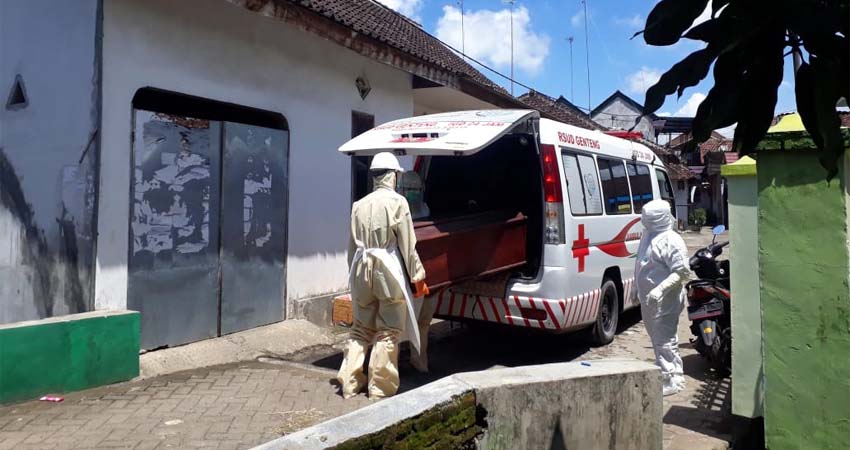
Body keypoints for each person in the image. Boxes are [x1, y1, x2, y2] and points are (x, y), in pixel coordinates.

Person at [337, 152, 429, 399]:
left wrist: (353, 280)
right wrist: (418, 278)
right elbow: (408, 246)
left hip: (360, 268)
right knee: (389, 330)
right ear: (393, 176)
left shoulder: (359, 205)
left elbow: (351, 248)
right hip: (386, 268)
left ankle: (350, 383)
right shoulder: (398, 202)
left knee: (360, 329)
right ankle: (379, 389)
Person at [635, 199, 691, 396]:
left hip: (665, 300)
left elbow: (682, 272)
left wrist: (659, 290)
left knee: (664, 340)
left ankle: (670, 378)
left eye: (647, 218)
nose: (643, 221)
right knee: (658, 338)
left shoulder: (672, 240)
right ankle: (672, 371)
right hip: (649, 300)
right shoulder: (649, 236)